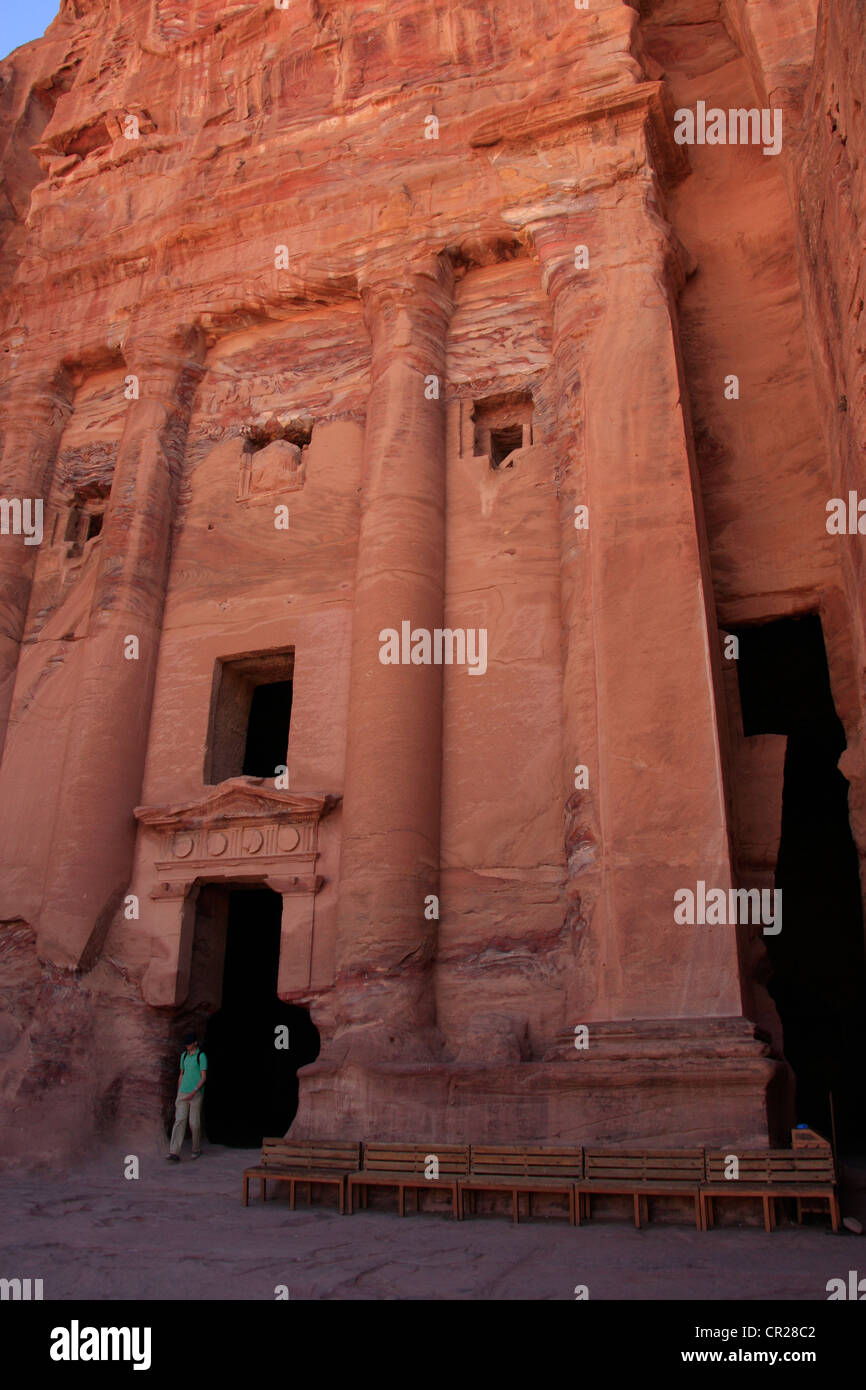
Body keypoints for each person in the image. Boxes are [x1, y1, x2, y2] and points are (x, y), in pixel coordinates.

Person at [166, 1031, 207, 1162]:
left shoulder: (201, 1056)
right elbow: (181, 1075)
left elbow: (203, 1077)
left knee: (194, 1123)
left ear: (195, 1043)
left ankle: (196, 1149)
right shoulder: (183, 1056)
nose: (187, 1046)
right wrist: (179, 1092)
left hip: (196, 1093)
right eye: (186, 1044)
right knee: (179, 1121)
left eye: (189, 1044)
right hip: (183, 1092)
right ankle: (174, 1152)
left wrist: (194, 1091)